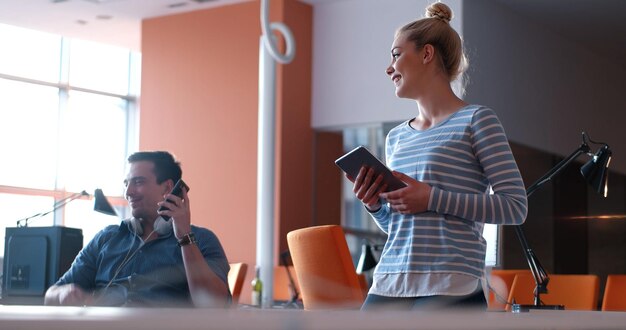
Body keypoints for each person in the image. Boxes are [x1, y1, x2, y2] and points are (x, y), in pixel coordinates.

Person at [351, 3, 528, 311]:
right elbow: (400, 225)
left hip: (451, 283)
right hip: (390, 280)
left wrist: (432, 198)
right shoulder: (396, 138)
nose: (388, 67)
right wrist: (375, 205)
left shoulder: (477, 120)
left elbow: (515, 207)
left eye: (395, 54)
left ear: (426, 54)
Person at [44, 151, 231, 307]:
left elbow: (217, 305)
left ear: (167, 187)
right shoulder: (106, 238)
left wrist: (184, 237)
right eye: (127, 183)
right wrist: (63, 294)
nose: (129, 192)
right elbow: (50, 295)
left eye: (138, 182)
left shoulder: (201, 240)